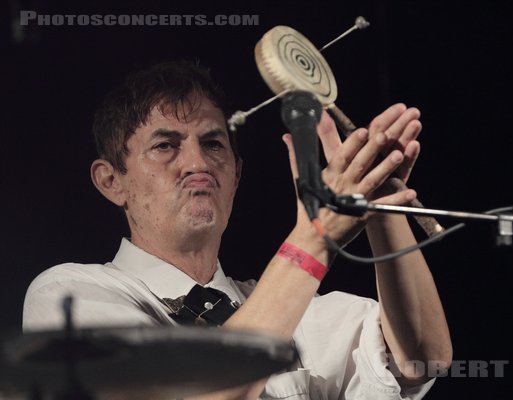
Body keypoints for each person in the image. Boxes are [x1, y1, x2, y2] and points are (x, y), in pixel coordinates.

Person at [23, 60, 452, 399]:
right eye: (165, 145)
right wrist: (314, 239)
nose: (198, 164)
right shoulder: (70, 293)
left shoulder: (305, 312)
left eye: (213, 144)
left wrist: (378, 205)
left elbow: (422, 361)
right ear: (111, 181)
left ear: (237, 173)